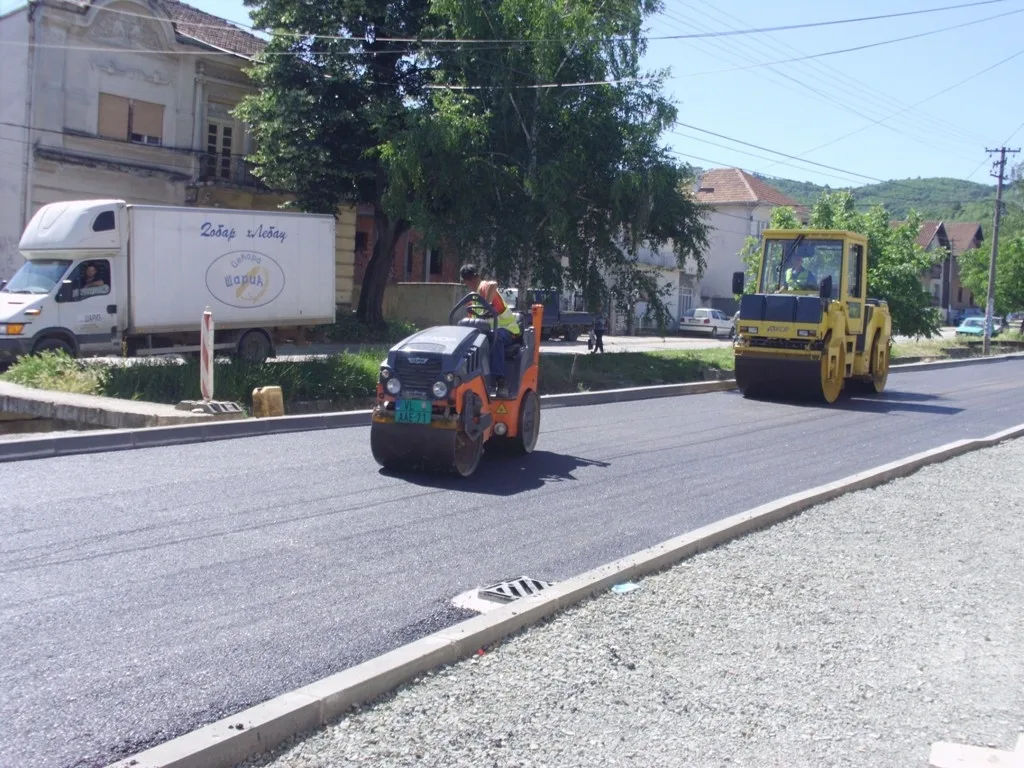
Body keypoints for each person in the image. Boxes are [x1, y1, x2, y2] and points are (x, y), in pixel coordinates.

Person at [459, 263, 521, 396]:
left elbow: (493, 284)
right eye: (469, 280)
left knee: (494, 337)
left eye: (471, 279)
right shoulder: (472, 299)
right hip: (488, 333)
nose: (471, 282)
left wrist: (487, 304)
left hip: (508, 331)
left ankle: (501, 381)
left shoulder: (484, 287)